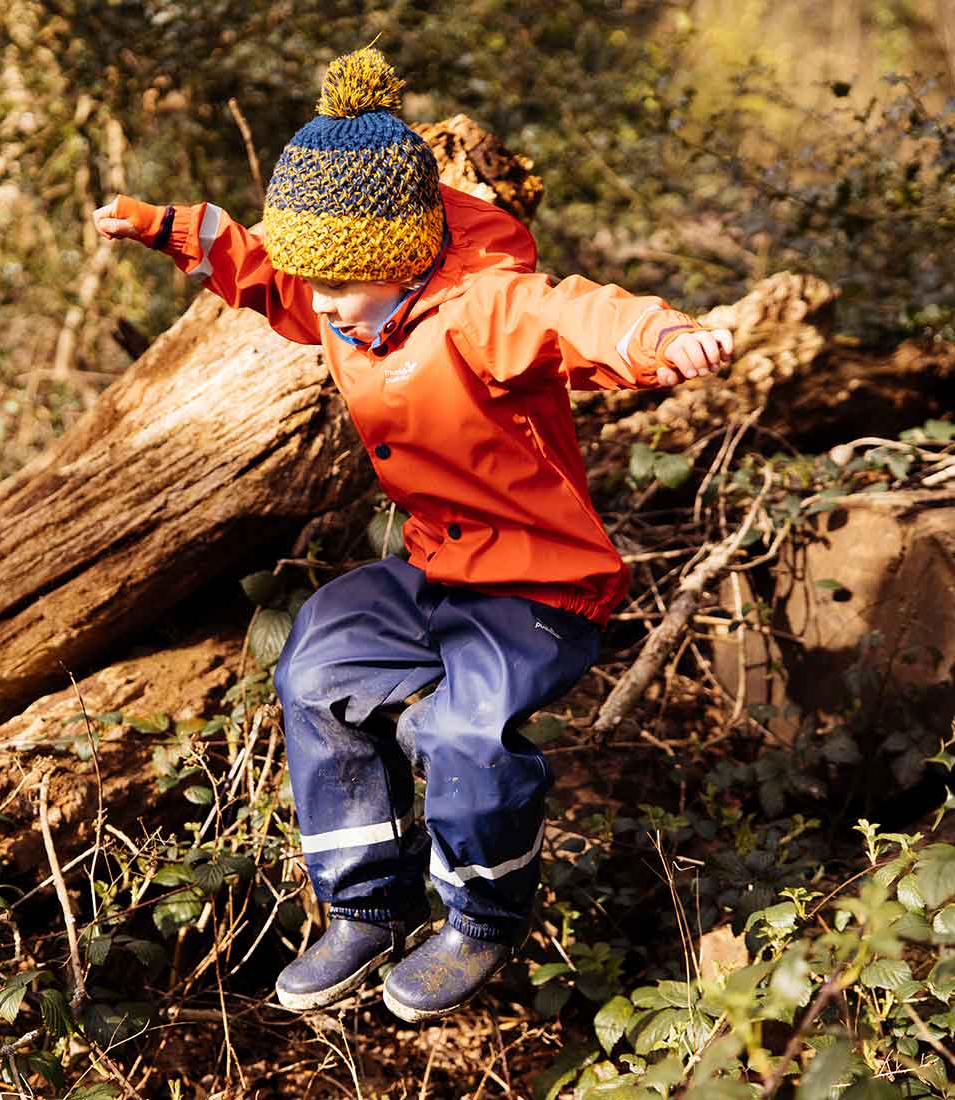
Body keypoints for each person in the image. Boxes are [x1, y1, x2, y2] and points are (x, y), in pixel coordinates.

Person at [93, 47, 732, 1023]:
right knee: (317, 657)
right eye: (316, 286)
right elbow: (264, 277)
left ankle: (479, 915)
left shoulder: (481, 305)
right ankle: (363, 905)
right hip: (437, 567)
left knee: (459, 729)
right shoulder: (341, 299)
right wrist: (172, 229)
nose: (322, 309)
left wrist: (661, 339)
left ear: (397, 260)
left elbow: (575, 315)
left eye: (337, 289)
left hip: (536, 587)